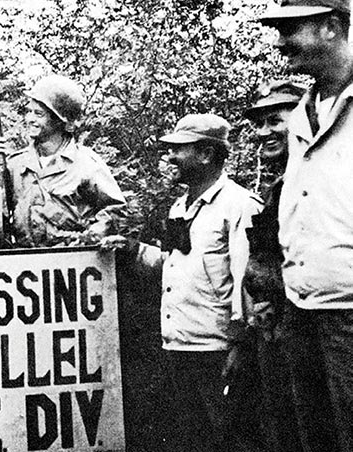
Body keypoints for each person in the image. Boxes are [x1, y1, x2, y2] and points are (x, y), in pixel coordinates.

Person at [99, 114, 263, 452]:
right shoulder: (180, 207)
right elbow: (174, 267)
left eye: (179, 150)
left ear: (205, 154)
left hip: (217, 350)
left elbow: (246, 279)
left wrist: (240, 345)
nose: (170, 158)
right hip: (178, 346)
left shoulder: (238, 206)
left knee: (230, 439)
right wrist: (130, 250)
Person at [259, 1, 353, 449]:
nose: (280, 43)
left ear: (333, 27)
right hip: (303, 309)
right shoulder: (302, 114)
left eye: (291, 29)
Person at [242, 80, 331, 452]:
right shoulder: (279, 188)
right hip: (276, 328)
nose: (264, 133)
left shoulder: (323, 179)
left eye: (274, 121)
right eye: (258, 124)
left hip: (313, 325)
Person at [0, 75, 125, 247]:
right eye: (29, 111)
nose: (30, 119)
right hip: (26, 262)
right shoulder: (16, 163)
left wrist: (90, 238)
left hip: (74, 263)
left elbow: (116, 210)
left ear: (59, 120)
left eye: (38, 114)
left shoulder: (85, 164)